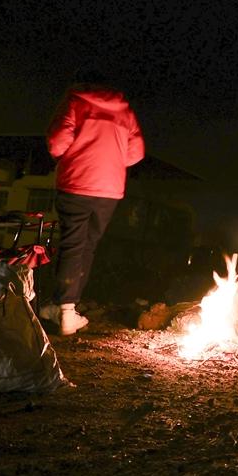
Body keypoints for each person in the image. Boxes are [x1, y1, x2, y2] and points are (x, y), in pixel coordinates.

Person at [41, 71, 145, 335]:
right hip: (109, 189)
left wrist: (74, 157)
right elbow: (136, 153)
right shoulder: (125, 111)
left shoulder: (76, 101)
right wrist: (110, 162)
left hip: (77, 182)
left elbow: (56, 142)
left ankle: (63, 309)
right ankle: (67, 308)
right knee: (88, 246)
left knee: (72, 244)